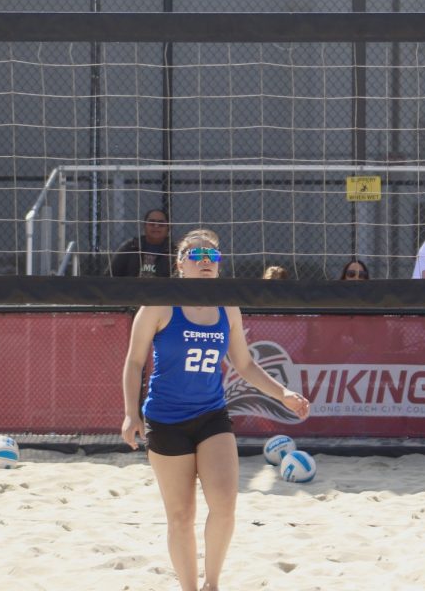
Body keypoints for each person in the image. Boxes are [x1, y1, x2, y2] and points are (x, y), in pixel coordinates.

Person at [120, 229, 310, 591]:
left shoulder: (228, 306)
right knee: (181, 515)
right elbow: (134, 362)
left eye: (213, 256)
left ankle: (212, 585)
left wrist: (282, 393)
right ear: (180, 264)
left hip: (211, 415)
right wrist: (132, 413)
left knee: (224, 505)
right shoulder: (160, 303)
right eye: (197, 255)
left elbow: (245, 364)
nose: (206, 261)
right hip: (165, 419)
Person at [110, 208, 173, 277]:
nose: (156, 226)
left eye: (161, 224)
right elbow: (110, 275)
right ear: (144, 226)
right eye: (152, 223)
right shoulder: (130, 247)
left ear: (168, 228)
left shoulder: (174, 251)